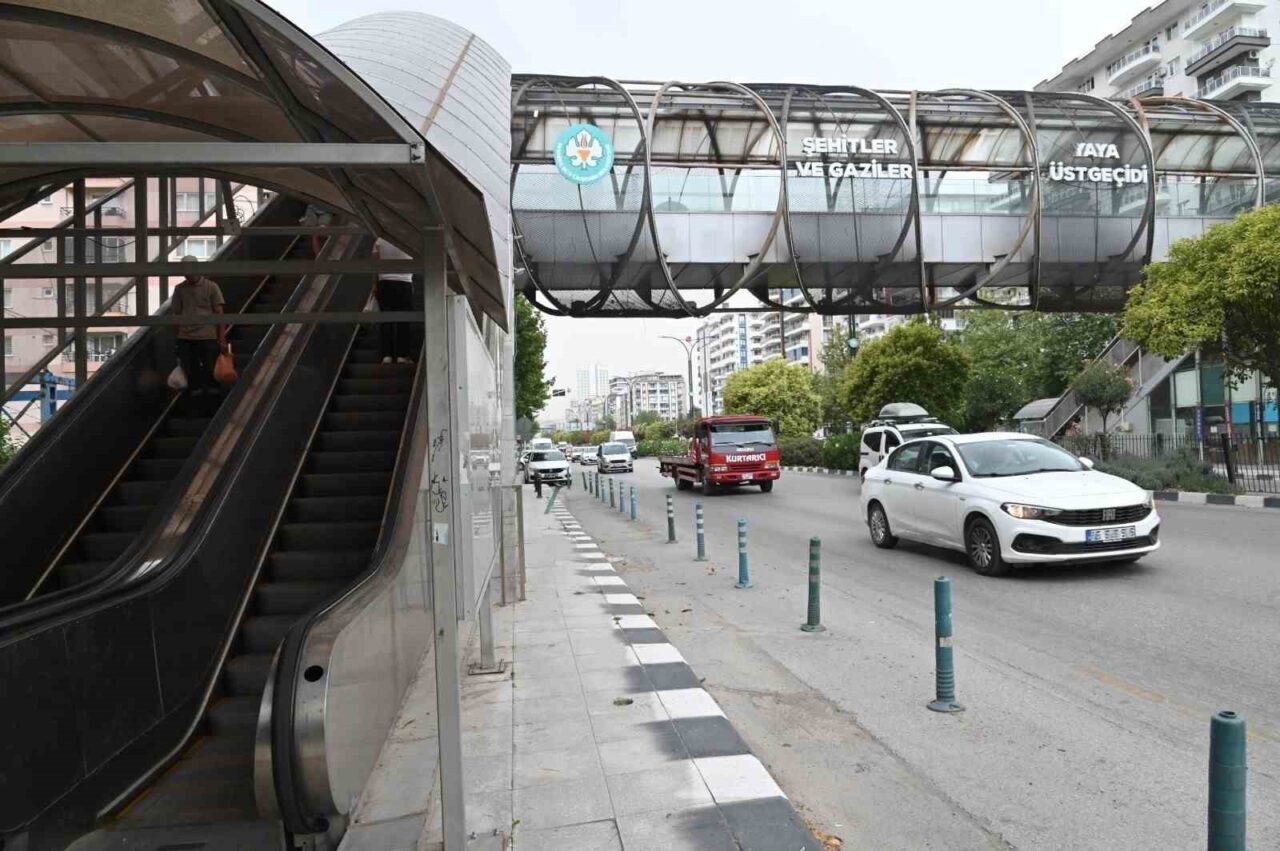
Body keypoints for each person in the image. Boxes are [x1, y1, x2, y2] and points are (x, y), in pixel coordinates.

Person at [171, 255, 227, 413]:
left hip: (207, 336)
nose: (187, 275)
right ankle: (196, 407)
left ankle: (213, 407)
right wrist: (178, 336)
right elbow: (176, 314)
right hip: (186, 338)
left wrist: (221, 338)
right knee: (191, 373)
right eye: (185, 272)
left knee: (211, 372)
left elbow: (220, 314)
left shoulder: (211, 287)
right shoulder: (179, 289)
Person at [373, 237, 414, 365]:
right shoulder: (409, 238)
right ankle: (402, 355)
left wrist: (374, 285)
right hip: (404, 283)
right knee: (404, 321)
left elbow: (375, 264)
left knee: (386, 320)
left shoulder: (379, 240)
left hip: (384, 283)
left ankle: (387, 356)